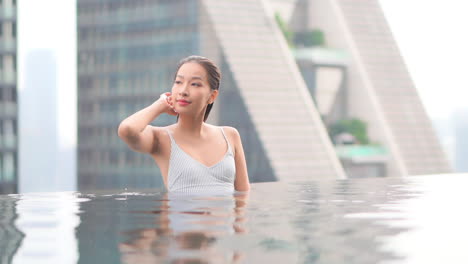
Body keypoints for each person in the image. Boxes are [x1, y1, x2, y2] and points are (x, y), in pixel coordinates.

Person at [118, 55, 250, 193]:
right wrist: (160, 105)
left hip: (226, 215)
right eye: (179, 82)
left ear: (212, 96)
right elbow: (127, 129)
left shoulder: (230, 135)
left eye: (195, 84)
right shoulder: (161, 137)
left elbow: (243, 194)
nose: (183, 91)